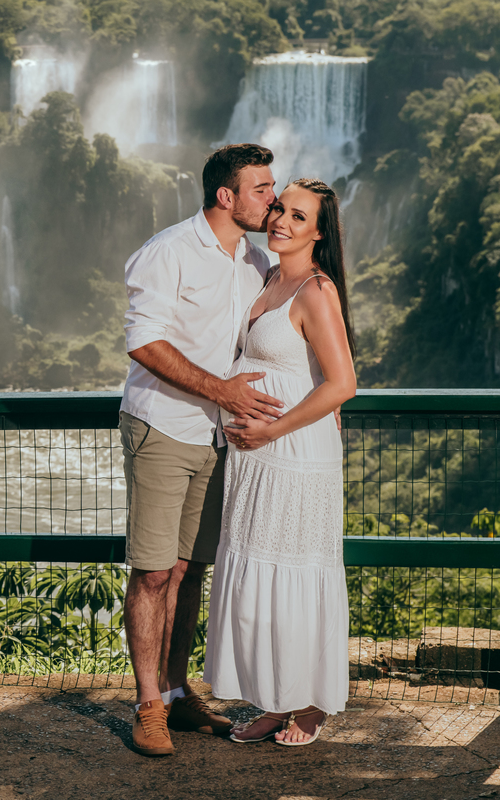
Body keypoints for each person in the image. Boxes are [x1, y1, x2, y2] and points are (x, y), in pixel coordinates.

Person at [120, 143, 282, 757]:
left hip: (218, 437)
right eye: (262, 188)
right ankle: (147, 706)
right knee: (155, 570)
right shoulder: (169, 252)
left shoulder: (253, 259)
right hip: (162, 427)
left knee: (191, 571)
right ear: (227, 196)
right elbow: (143, 343)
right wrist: (221, 391)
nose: (272, 197)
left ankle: (180, 694)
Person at [204, 178, 357, 746]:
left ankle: (311, 707)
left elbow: (343, 383)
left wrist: (269, 429)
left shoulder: (316, 290)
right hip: (257, 459)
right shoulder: (270, 275)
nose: (281, 221)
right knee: (257, 578)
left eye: (298, 216)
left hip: (292, 453)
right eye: (278, 209)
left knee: (295, 568)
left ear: (319, 232)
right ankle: (273, 700)